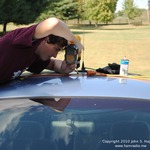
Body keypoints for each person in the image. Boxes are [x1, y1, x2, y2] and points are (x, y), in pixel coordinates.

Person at [0, 17, 84, 84]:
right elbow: (53, 23)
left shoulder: (33, 54)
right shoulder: (20, 41)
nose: (55, 55)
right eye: (56, 49)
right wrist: (75, 42)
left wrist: (63, 68)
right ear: (46, 39)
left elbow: (53, 64)